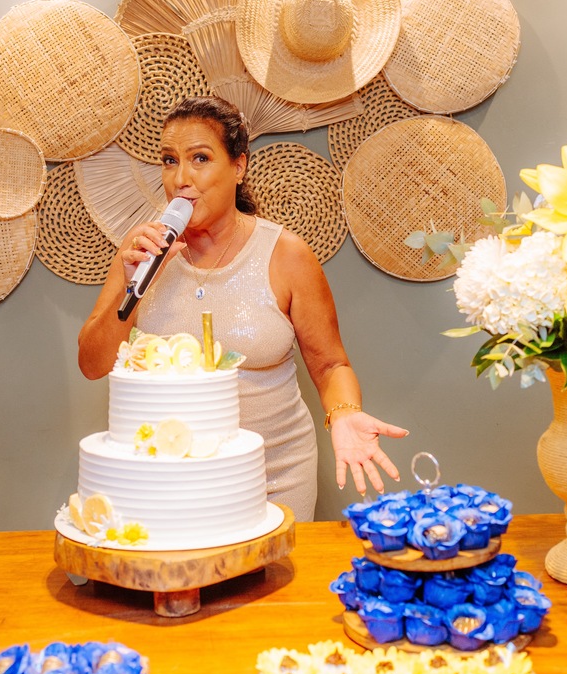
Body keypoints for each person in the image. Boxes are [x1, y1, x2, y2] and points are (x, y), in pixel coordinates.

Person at [78, 96, 407, 521]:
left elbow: (329, 366)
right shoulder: (137, 255)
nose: (181, 177)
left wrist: (345, 415)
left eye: (200, 158)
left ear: (239, 166)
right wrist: (134, 283)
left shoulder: (285, 254)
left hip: (274, 476)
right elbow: (92, 363)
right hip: (165, 481)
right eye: (168, 160)